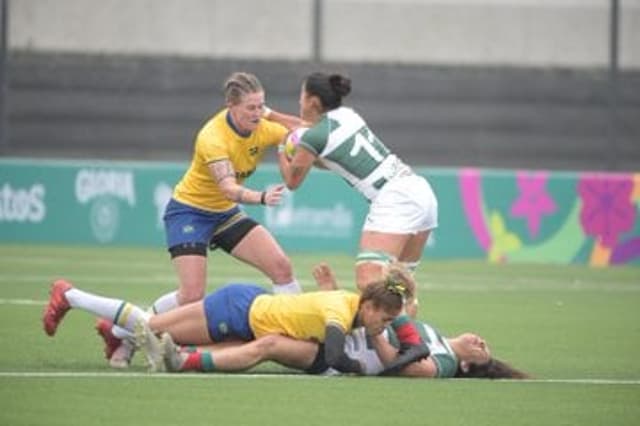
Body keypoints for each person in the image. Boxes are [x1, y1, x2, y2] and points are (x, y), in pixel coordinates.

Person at [97, 71, 304, 368]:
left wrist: (275, 115)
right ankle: (127, 334)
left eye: (261, 106)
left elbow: (303, 130)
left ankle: (294, 337)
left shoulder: (263, 126)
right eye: (251, 108)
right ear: (231, 106)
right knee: (192, 295)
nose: (257, 114)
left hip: (225, 215)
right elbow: (229, 189)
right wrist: (260, 197)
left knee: (282, 267)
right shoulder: (213, 137)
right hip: (190, 211)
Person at [274, 72, 438, 348]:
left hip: (395, 198)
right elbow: (314, 138)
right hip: (419, 190)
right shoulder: (349, 116)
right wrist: (270, 116)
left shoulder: (315, 137)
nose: (299, 102)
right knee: (399, 284)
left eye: (301, 96)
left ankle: (409, 344)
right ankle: (404, 346)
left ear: (313, 101)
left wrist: (280, 147)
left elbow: (292, 181)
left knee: (369, 279)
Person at [155, 262, 527, 379]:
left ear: (468, 365)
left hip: (340, 361)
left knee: (267, 346)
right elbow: (368, 314)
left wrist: (381, 330)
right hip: (339, 336)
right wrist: (332, 291)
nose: (482, 342)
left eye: (484, 353)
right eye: (486, 343)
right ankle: (175, 345)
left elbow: (397, 367)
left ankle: (184, 360)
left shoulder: (442, 364)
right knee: (257, 334)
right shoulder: (436, 333)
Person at [42, 265, 409, 374]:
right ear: (371, 307)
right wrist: (359, 366)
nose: (385, 326)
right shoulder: (341, 311)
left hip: (246, 313)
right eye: (386, 318)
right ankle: (69, 295)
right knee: (150, 326)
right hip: (237, 311)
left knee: (159, 335)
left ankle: (116, 332)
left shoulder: (352, 305)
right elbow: (332, 356)